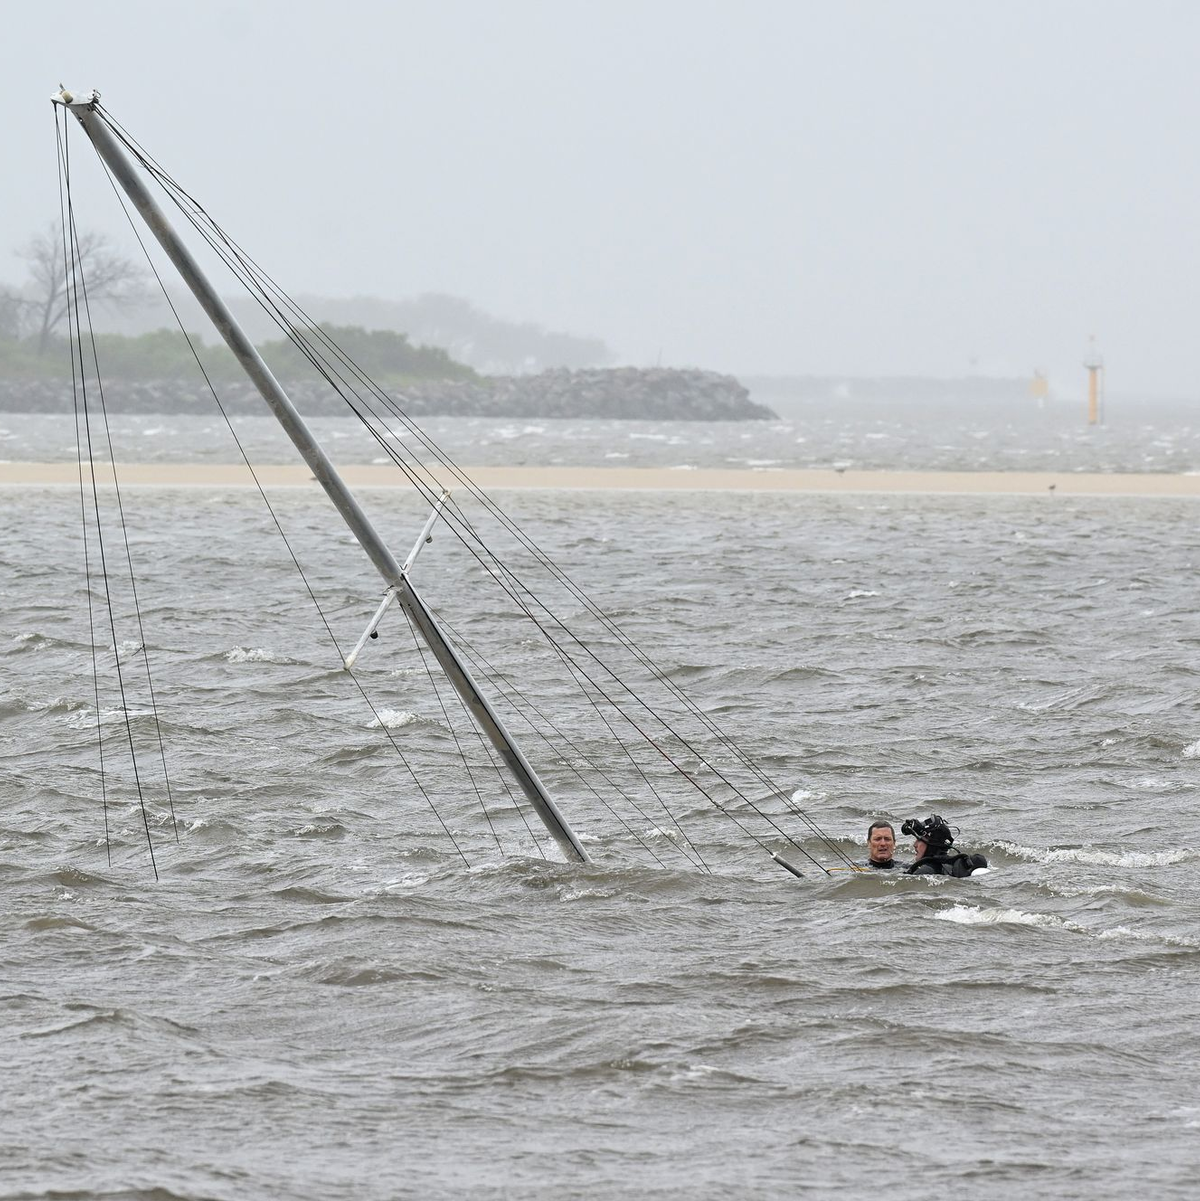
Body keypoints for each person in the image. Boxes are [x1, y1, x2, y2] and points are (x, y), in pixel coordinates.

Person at [902, 814, 988, 877]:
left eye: (919, 840)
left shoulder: (925, 871)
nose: (915, 844)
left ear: (932, 843)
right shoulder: (948, 865)